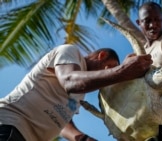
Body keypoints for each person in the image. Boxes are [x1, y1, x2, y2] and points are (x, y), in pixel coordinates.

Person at [0, 44, 152, 141]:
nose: (110, 74)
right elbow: (70, 81)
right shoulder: (70, 52)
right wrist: (123, 71)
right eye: (110, 67)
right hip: (11, 125)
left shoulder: (81, 93)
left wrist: (81, 138)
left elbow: (62, 120)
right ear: (102, 55)